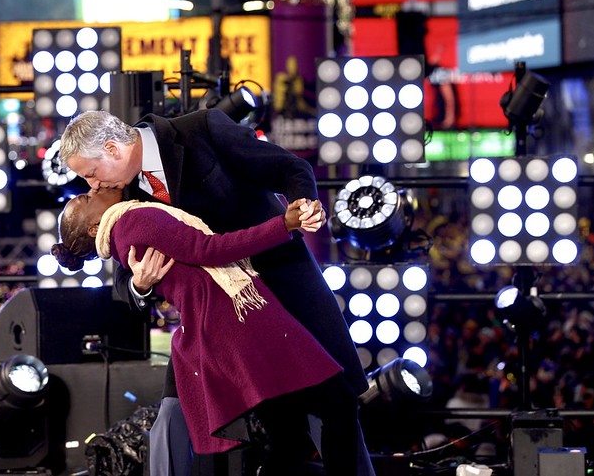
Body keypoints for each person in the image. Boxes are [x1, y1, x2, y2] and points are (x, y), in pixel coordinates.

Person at [58, 109, 373, 475]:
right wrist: (140, 285)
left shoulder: (201, 129)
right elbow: (128, 281)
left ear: (112, 149)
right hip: (230, 320)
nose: (91, 185)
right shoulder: (118, 201)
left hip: (279, 281)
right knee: (289, 420)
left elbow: (289, 169)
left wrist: (303, 206)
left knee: (325, 410)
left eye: (90, 174)